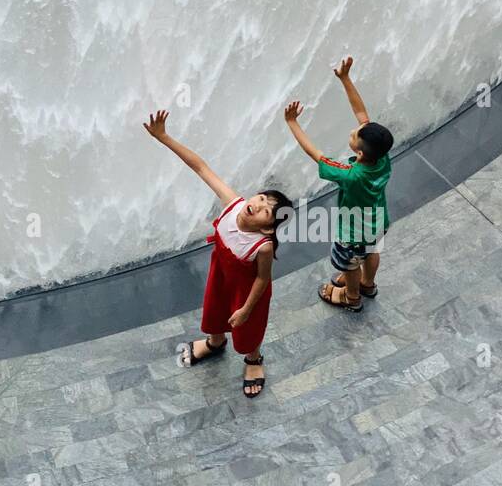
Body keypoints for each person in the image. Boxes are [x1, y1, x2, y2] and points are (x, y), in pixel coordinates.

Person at [144, 109, 292, 399]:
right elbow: (200, 167)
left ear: (268, 228)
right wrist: (164, 137)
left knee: (248, 328)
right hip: (222, 275)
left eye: (267, 212)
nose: (258, 205)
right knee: (213, 310)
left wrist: (247, 308)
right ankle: (214, 342)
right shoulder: (232, 204)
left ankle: (253, 359)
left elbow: (262, 279)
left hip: (249, 291)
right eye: (261, 198)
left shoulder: (262, 246)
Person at [284, 55, 393, 311]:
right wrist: (346, 79)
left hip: (353, 234)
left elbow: (316, 155)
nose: (352, 131)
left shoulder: (349, 173)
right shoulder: (382, 158)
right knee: (372, 252)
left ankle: (351, 296)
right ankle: (368, 283)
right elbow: (362, 114)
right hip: (378, 222)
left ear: (360, 153)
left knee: (350, 264)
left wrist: (292, 123)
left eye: (354, 135)